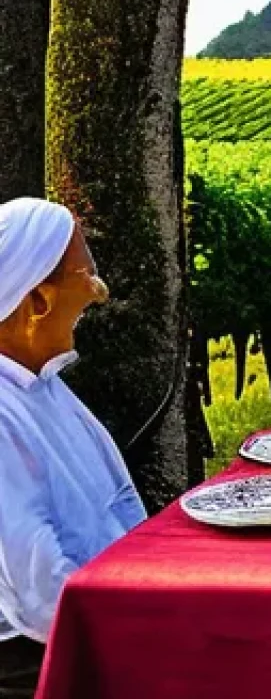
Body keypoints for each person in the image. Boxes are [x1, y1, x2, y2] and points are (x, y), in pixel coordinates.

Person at [0, 199, 146, 698]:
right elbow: (41, 599)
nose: (97, 294)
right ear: (38, 302)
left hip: (101, 620)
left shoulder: (44, 386)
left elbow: (122, 506)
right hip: (38, 662)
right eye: (86, 275)